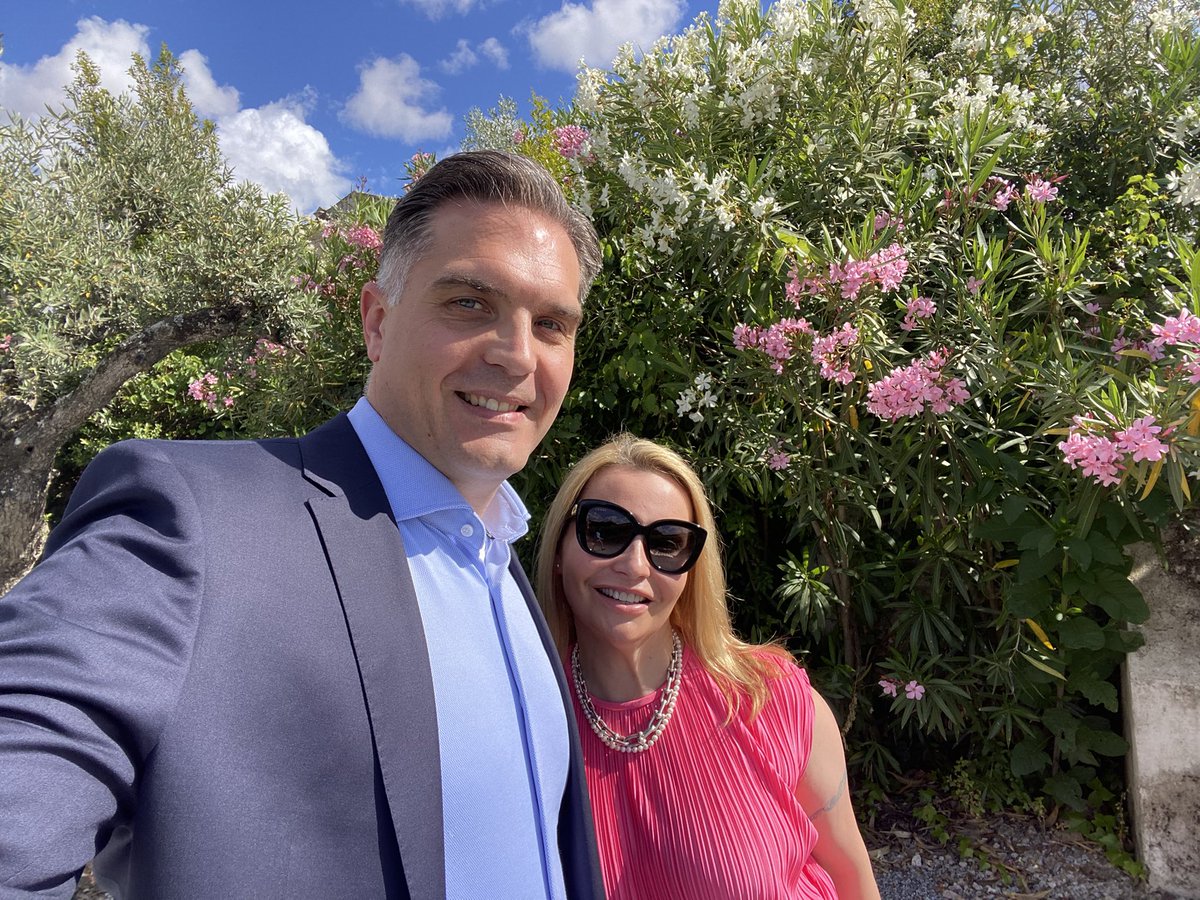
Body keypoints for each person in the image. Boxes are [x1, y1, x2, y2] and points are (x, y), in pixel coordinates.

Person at [0, 151, 605, 900]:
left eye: (550, 324)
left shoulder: (504, 565)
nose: (517, 356)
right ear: (377, 322)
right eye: (469, 303)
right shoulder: (189, 522)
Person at [536, 434, 881, 900]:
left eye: (667, 542)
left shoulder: (769, 697)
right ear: (559, 549)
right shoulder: (527, 721)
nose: (635, 566)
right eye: (605, 531)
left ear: (691, 569)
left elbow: (851, 877)